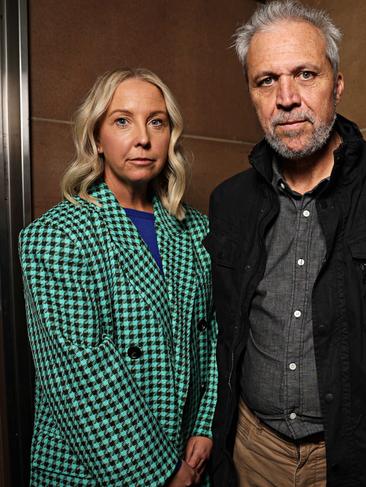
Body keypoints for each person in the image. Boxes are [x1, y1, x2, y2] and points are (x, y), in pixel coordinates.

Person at [205, 1, 366, 486]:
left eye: (305, 74)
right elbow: (228, 331)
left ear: (337, 84)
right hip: (255, 455)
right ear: (252, 95)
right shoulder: (229, 202)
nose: (286, 97)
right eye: (266, 81)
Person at [20, 68, 218, 486]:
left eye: (157, 122)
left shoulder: (197, 231)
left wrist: (205, 423)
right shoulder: (57, 236)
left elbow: (214, 334)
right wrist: (164, 474)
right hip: (96, 467)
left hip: (190, 452)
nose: (143, 138)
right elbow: (82, 376)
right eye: (122, 121)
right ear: (96, 138)